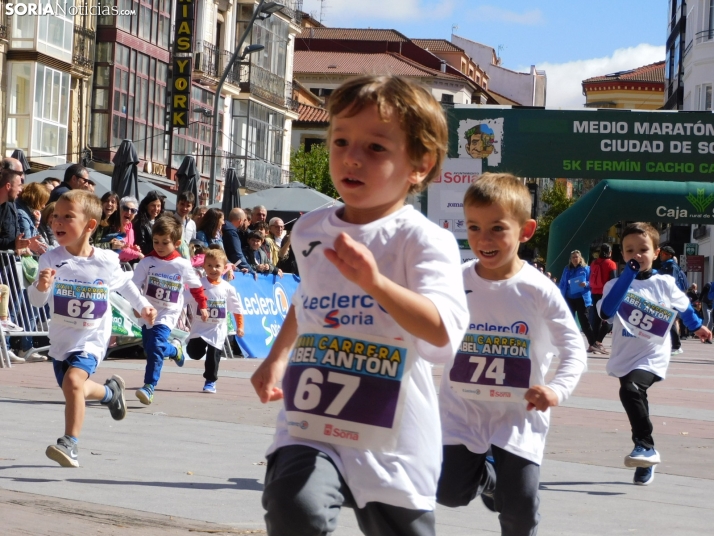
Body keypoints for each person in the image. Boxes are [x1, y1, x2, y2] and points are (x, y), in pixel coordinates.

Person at [250, 75, 468, 536]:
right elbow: (308, 298)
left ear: (420, 165)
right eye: (341, 141)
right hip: (313, 416)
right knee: (294, 506)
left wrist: (375, 283)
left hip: (393, 434)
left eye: (376, 148)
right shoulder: (308, 230)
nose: (351, 157)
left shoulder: (425, 240)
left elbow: (443, 330)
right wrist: (276, 356)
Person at [436, 173, 587, 536]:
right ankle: (490, 480)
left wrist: (556, 389)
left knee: (520, 509)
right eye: (473, 227)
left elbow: (574, 348)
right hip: (461, 411)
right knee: (449, 493)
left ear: (526, 230)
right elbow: (423, 326)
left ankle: (504, 486)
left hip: (518, 415)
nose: (483, 239)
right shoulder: (454, 281)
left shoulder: (539, 290)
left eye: (497, 228)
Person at [27, 189, 156, 467]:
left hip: (92, 338)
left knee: (74, 382)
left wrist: (143, 305)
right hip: (62, 340)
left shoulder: (106, 260)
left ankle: (69, 444)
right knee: (76, 388)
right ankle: (111, 393)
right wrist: (40, 286)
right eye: (56, 216)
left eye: (67, 217)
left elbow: (124, 284)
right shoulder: (50, 259)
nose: (57, 222)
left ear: (90, 225)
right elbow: (37, 301)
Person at [597, 222, 712, 486]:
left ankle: (644, 447)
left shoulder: (664, 283)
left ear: (656, 252)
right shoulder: (614, 284)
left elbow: (684, 308)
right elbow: (606, 312)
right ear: (622, 254)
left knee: (631, 388)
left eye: (643, 249)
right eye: (629, 250)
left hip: (652, 355)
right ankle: (646, 454)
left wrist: (698, 328)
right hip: (625, 354)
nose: (636, 255)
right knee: (636, 394)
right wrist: (628, 276)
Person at [131, 214, 208, 405]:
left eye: (165, 242)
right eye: (156, 241)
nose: (159, 246)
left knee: (156, 346)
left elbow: (196, 286)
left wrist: (203, 306)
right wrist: (137, 305)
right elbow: (133, 286)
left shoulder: (182, 264)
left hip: (169, 312)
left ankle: (149, 387)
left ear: (177, 242)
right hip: (148, 312)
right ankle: (174, 350)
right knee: (151, 348)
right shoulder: (147, 262)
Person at [185, 246, 245, 393]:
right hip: (199, 327)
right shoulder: (198, 285)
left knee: (214, 355)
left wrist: (240, 326)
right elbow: (182, 299)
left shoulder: (228, 288)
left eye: (217, 266)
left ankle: (210, 381)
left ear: (224, 268)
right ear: (204, 266)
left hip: (217, 328)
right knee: (194, 354)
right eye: (209, 266)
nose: (213, 269)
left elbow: (237, 308)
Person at [559, 250, 598, 353]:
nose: (575, 259)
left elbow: (593, 282)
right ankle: (568, 344)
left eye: (576, 257)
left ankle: (592, 344)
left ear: (580, 258)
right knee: (568, 322)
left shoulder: (586, 269)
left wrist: (586, 284)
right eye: (573, 257)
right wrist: (560, 296)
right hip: (569, 298)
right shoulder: (567, 269)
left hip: (582, 299)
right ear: (570, 259)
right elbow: (563, 283)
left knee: (584, 322)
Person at [589, 243, 618, 354]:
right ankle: (598, 342)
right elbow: (613, 281)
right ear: (610, 252)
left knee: (596, 320)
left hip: (594, 293)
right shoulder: (611, 264)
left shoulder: (593, 263)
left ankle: (592, 345)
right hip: (606, 294)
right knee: (609, 320)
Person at [658, 245, 686, 355]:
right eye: (661, 253)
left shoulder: (671, 266)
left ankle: (676, 346)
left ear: (670, 255)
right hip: (665, 297)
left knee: (670, 320)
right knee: (668, 320)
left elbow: (671, 282)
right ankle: (673, 345)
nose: (661, 255)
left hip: (669, 297)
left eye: (663, 254)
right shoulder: (666, 265)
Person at [134, 190, 166, 256]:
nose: (156, 209)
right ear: (146, 206)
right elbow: (142, 247)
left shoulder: (161, 222)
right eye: (153, 205)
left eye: (158, 206)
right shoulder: (140, 223)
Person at [222, 208, 253, 274]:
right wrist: (250, 270)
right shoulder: (232, 233)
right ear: (240, 221)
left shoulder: (225, 228)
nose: (244, 222)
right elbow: (237, 254)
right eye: (244, 220)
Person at [116, 196, 143, 262]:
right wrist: (137, 254)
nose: (129, 212)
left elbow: (126, 252)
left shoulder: (130, 229)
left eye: (133, 210)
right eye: (126, 208)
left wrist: (133, 249)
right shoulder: (114, 227)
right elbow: (119, 251)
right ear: (119, 209)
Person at [175, 191, 196, 259]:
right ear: (177, 204)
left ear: (192, 207)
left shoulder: (192, 223)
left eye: (188, 206)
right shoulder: (170, 221)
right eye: (182, 204)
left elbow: (192, 242)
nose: (184, 208)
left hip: (187, 258)